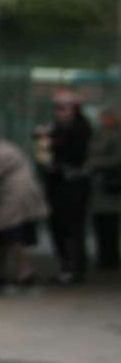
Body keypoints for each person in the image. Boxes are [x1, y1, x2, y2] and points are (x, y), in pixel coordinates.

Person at [0, 120, 49, 287]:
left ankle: (23, 270)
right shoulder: (0, 149)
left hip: (13, 199)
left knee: (10, 235)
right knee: (5, 236)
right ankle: (7, 271)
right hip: (11, 198)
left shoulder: (1, 152)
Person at [42, 90, 93, 282]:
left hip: (73, 184)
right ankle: (66, 265)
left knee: (73, 227)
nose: (60, 112)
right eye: (58, 108)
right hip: (57, 183)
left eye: (65, 107)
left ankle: (75, 267)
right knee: (58, 227)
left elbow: (76, 153)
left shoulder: (80, 127)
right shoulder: (55, 127)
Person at [88, 108, 121, 273]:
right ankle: (104, 256)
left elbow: (116, 158)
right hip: (98, 186)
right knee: (100, 224)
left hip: (109, 186)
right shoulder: (98, 134)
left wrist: (95, 163)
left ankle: (110, 258)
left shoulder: (115, 136)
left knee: (110, 226)